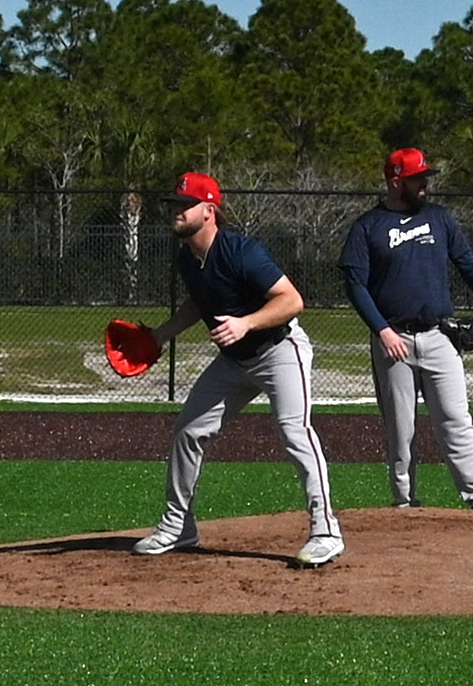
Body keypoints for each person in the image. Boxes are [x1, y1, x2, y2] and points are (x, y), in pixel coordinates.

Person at [134, 171, 344, 568]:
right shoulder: (188, 258)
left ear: (209, 211)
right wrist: (161, 335)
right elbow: (200, 303)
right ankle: (180, 525)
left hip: (280, 348)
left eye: (185, 204)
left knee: (295, 431)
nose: (176, 211)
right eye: (174, 204)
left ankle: (326, 530)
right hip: (235, 361)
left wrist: (246, 322)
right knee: (188, 430)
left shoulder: (242, 252)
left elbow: (292, 300)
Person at [336, 146, 473, 512]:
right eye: (417, 179)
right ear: (396, 181)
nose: (425, 184)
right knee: (401, 429)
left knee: (457, 421)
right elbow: (355, 285)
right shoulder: (368, 227)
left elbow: (468, 263)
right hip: (393, 339)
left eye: (425, 177)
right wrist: (382, 330)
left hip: (440, 335)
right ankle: (405, 502)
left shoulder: (439, 219)